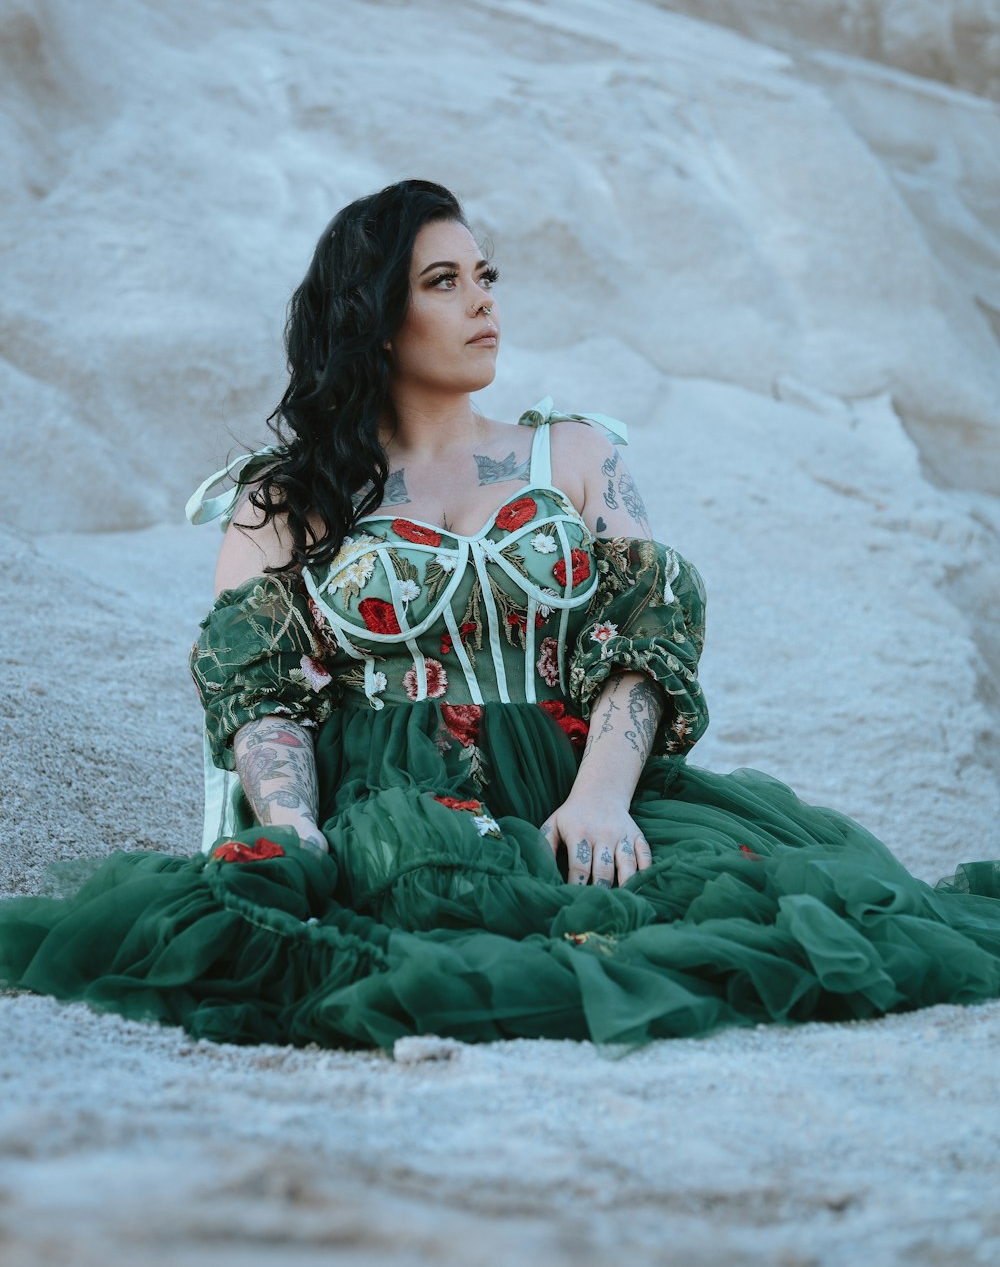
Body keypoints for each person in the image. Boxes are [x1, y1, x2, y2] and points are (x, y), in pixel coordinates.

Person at [1, 178, 998, 1051]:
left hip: (580, 780)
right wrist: (293, 826)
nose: (482, 302)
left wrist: (603, 796)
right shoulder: (288, 497)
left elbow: (644, 647)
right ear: (375, 315)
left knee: (755, 913)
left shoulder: (572, 456)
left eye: (486, 276)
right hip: (389, 794)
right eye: (444, 282)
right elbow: (259, 692)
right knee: (391, 934)